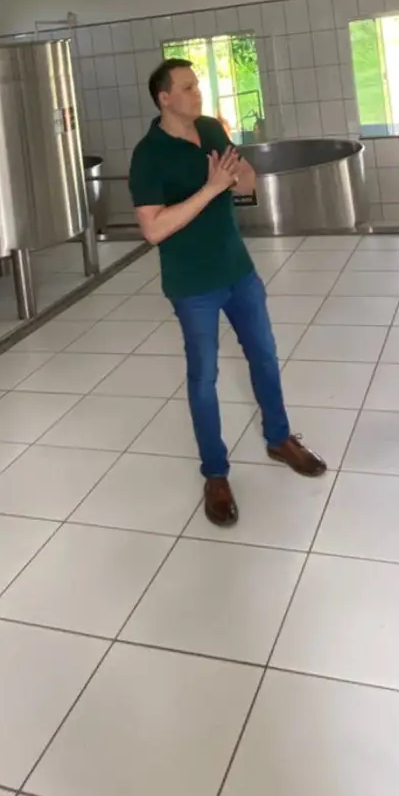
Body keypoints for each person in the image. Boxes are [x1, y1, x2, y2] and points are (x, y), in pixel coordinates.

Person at [129, 59, 325, 527]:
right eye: (187, 88)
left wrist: (237, 176)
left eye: (197, 85)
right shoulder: (148, 154)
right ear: (164, 98)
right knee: (204, 377)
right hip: (192, 284)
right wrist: (211, 186)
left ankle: (280, 438)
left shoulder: (211, 130)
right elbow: (153, 230)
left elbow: (247, 183)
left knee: (265, 355)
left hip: (238, 271)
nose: (197, 93)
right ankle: (215, 474)